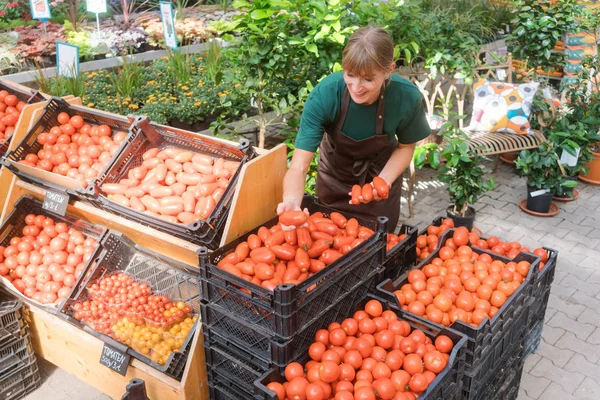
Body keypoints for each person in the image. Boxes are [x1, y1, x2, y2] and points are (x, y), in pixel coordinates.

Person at [277, 26, 431, 228]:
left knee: (376, 248)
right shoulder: (326, 95)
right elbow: (298, 166)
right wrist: (290, 202)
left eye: (368, 79)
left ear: (389, 70)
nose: (357, 87)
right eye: (350, 75)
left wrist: (382, 182)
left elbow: (406, 147)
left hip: (380, 193)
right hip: (333, 188)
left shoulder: (406, 98)